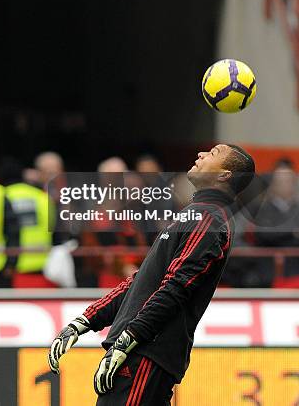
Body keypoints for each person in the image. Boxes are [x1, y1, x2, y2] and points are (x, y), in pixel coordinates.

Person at [48, 144, 255, 404]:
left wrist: (128, 339)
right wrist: (85, 321)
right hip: (140, 350)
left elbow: (175, 287)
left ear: (225, 175)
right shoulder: (194, 214)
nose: (201, 154)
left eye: (212, 154)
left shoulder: (209, 219)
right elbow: (142, 279)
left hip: (145, 352)